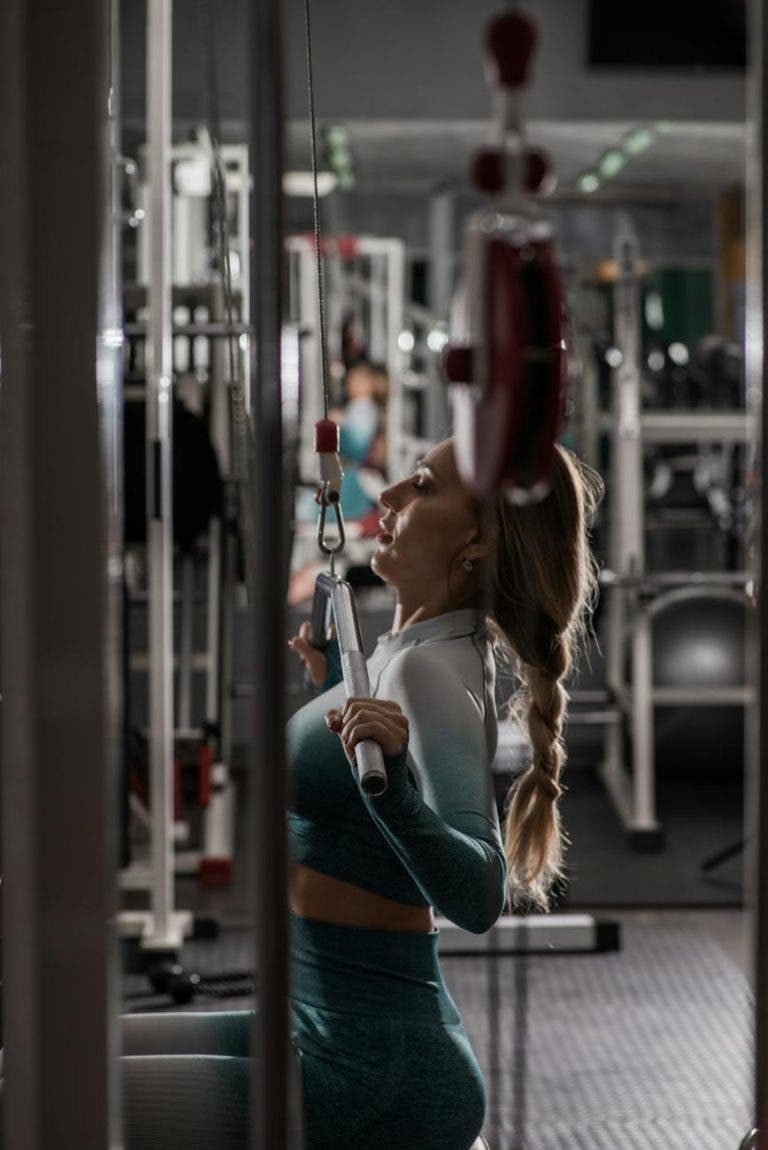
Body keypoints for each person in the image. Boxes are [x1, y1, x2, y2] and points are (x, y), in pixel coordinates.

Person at [120, 437, 601, 1150]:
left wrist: (395, 803)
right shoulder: (402, 649)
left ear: (476, 542)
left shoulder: (432, 673)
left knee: (42, 1093)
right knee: (52, 1053)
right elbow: (360, 808)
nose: (390, 496)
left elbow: (477, 895)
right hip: (313, 1018)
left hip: (371, 1067)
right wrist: (328, 698)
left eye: (424, 487)